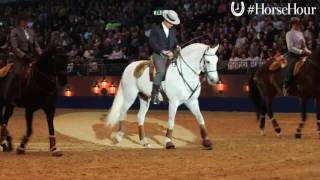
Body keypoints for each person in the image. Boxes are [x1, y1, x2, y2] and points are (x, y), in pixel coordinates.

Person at [1, 14, 42, 103]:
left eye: (27, 20)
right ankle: (12, 95)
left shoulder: (31, 31)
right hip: (20, 58)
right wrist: (23, 55)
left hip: (32, 56)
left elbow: (36, 45)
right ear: (21, 21)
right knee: (18, 73)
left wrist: (41, 54)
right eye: (25, 20)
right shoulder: (14, 31)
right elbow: (15, 47)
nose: (27, 22)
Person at [149, 10, 181, 104]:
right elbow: (152, 42)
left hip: (170, 55)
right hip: (158, 54)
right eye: (171, 23)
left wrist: (177, 46)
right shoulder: (156, 28)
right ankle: (154, 95)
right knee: (161, 71)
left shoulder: (173, 31)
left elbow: (174, 43)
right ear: (166, 21)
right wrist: (162, 51)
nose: (173, 25)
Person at [283, 17, 311, 96]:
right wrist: (301, 51)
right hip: (293, 54)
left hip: (302, 53)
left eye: (298, 23)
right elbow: (290, 47)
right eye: (296, 23)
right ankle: (286, 84)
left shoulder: (301, 33)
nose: (298, 25)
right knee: (292, 65)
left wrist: (308, 52)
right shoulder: (289, 34)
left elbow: (304, 46)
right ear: (292, 24)